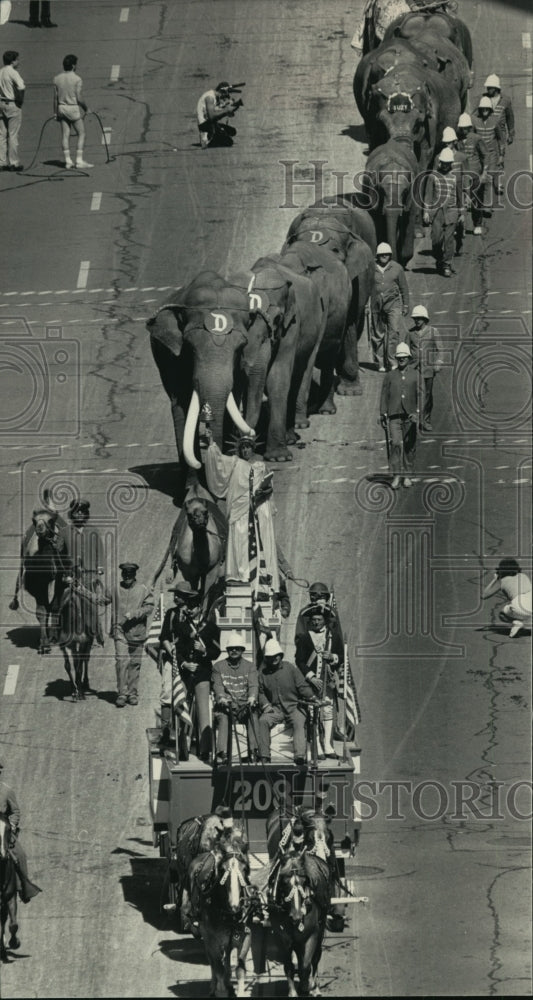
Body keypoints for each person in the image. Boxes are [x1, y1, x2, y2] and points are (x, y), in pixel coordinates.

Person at [204, 428, 280, 598]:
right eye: (243, 447)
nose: (245, 450)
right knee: (240, 541)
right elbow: (218, 461)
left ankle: (259, 578)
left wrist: (263, 491)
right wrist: (211, 443)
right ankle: (241, 575)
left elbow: (269, 488)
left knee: (258, 542)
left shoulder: (261, 466)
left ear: (253, 449)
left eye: (248, 447)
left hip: (258, 511)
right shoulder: (235, 463)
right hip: (240, 511)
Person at [160, 581, 220, 759]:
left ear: (200, 609)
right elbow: (175, 649)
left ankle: (205, 749)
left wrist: (204, 651)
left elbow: (216, 651)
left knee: (203, 711)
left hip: (202, 673)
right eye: (189, 607)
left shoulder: (210, 627)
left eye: (193, 607)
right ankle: (182, 747)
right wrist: (183, 664)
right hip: (184, 672)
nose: (190, 610)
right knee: (181, 707)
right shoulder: (181, 626)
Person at [257, 638, 318, 765]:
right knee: (263, 721)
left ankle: (299, 755)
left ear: (280, 655)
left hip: (294, 706)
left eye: (276, 656)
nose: (274, 658)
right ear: (266, 658)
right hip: (275, 709)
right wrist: (266, 705)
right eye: (270, 656)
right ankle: (264, 755)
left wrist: (311, 696)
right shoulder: (262, 673)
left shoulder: (290, 668)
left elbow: (302, 686)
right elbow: (260, 692)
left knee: (298, 722)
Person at [295, 608, 343, 758]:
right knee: (312, 713)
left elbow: (341, 655)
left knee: (327, 711)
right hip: (311, 683)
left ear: (325, 621)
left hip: (327, 681)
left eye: (319, 620)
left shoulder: (333, 637)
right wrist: (311, 677)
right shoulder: (304, 638)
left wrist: (333, 656)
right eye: (314, 620)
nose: (316, 622)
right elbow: (300, 660)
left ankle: (327, 745)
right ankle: (316, 745)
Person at [60, 499, 106, 643]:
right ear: (72, 514)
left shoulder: (93, 530)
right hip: (71, 575)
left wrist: (100, 568)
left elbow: (100, 550)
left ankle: (95, 633)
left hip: (90, 574)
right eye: (76, 512)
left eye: (82, 512)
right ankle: (60, 631)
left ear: (86, 514)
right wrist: (65, 573)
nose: (79, 515)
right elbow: (60, 555)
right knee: (62, 603)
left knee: (91, 606)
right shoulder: (64, 532)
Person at [110, 563, 154, 707]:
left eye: (130, 576)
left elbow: (149, 607)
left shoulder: (143, 590)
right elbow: (100, 599)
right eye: (125, 576)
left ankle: (132, 693)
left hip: (137, 632)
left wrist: (134, 613)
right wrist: (79, 589)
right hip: (120, 631)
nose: (127, 579)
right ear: (122, 575)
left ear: (134, 576)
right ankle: (122, 694)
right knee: (121, 661)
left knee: (135, 664)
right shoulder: (115, 589)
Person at [212, 631, 258, 764]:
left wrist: (252, 698)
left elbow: (253, 685)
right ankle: (222, 753)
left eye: (237, 648)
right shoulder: (218, 666)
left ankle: (253, 752)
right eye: (231, 648)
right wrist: (221, 697)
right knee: (223, 717)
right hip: (226, 706)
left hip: (244, 706)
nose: (234, 651)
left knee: (253, 716)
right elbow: (218, 686)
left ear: (242, 650)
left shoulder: (250, 666)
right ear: (227, 650)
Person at [0, 760, 41, 904]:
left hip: (2, 828)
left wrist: (10, 826)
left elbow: (15, 811)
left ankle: (24, 889)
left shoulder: (6, 790)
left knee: (21, 855)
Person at [380, 341, 419, 490]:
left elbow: (421, 395)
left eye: (404, 357)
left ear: (409, 358)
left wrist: (417, 413)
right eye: (399, 357)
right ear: (396, 358)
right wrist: (382, 413)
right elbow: (384, 395)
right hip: (394, 416)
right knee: (395, 443)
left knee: (410, 445)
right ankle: (396, 475)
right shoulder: (390, 375)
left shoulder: (415, 375)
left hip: (410, 416)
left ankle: (407, 475)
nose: (402, 359)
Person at [423, 148, 464, 278]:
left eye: (448, 163)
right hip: (436, 213)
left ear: (451, 163)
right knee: (436, 240)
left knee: (449, 240)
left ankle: (447, 264)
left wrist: (462, 213)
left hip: (452, 212)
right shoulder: (432, 176)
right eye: (443, 163)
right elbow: (428, 196)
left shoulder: (455, 177)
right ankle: (439, 260)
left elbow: (459, 196)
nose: (445, 165)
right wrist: (426, 211)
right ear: (440, 162)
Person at [371, 242, 410, 372]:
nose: (384, 256)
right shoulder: (371, 268)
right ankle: (380, 363)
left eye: (387, 254)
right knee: (378, 335)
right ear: (377, 255)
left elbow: (404, 288)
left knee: (394, 332)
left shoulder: (397, 268)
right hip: (376, 305)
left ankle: (392, 361)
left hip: (393, 304)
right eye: (382, 254)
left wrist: (405, 305)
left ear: (390, 255)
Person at [405, 304, 443, 432]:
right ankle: (412, 418)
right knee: (412, 394)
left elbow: (440, 350)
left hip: (428, 369)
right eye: (415, 318)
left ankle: (425, 420)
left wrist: (438, 362)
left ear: (425, 319)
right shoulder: (410, 334)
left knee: (427, 395)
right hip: (414, 368)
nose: (417, 320)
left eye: (420, 318)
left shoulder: (433, 332)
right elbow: (405, 351)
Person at [53, 54, 92, 169]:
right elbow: (79, 97)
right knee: (81, 133)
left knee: (65, 134)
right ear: (74, 66)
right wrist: (86, 109)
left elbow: (55, 98)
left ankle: (68, 161)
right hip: (73, 108)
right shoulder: (77, 79)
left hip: (61, 108)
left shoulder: (57, 78)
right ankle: (79, 160)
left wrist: (55, 113)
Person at [477, 74, 514, 184]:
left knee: (499, 158)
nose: (488, 89)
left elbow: (510, 117)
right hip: (487, 131)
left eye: (491, 88)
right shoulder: (483, 98)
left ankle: (498, 180)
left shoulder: (505, 101)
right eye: (487, 87)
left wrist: (511, 133)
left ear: (497, 88)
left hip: (500, 133)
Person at [456, 113, 489, 236]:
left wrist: (484, 172)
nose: (464, 131)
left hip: (475, 174)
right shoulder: (457, 140)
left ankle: (477, 224)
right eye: (462, 128)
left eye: (466, 128)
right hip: (462, 175)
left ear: (470, 127)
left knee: (476, 200)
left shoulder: (476, 138)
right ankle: (460, 225)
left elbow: (485, 155)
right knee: (460, 200)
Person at [482, 559, 532, 638]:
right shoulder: (523, 576)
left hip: (519, 606)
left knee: (502, 615)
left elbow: (484, 595)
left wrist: (495, 579)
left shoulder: (503, 581)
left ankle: (516, 623)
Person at [471, 96, 505, 202]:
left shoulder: (495, 121)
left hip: (491, 154)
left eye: (487, 109)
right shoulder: (475, 121)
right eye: (483, 109)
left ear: (490, 110)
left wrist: (501, 156)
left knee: (489, 178)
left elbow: (500, 139)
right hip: (479, 155)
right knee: (478, 178)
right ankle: (475, 200)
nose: (485, 111)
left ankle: (487, 206)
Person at [196, 81, 242, 148]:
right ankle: (207, 136)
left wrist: (231, 108)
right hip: (204, 124)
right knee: (229, 142)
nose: (225, 98)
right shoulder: (210, 98)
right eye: (225, 95)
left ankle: (212, 135)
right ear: (222, 92)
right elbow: (211, 117)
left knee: (232, 131)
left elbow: (220, 114)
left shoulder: (214, 97)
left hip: (210, 123)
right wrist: (226, 110)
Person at [0, 50, 24, 172]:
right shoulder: (13, 72)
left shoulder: (1, 71)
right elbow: (21, 87)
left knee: (2, 134)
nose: (18, 62)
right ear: (13, 61)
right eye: (17, 60)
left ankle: (2, 162)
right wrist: (20, 101)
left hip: (1, 103)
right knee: (13, 134)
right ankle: (14, 163)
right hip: (12, 103)